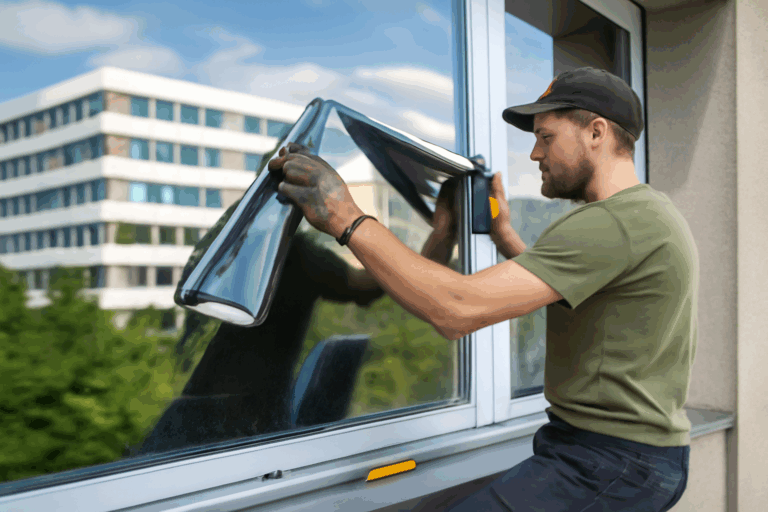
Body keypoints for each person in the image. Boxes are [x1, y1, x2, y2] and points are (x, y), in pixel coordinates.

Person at [268, 67, 698, 512]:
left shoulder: (612, 223)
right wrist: (505, 238)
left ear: (596, 133)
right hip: (622, 455)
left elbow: (457, 310)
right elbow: (574, 284)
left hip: (610, 461)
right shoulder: (647, 214)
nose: (534, 154)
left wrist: (344, 217)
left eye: (546, 138)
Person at [138, 178, 461, 455]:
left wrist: (441, 237)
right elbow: (377, 284)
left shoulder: (287, 254)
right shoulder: (268, 250)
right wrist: (441, 236)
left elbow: (377, 284)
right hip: (228, 414)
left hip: (243, 416)